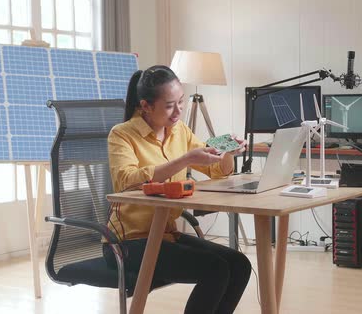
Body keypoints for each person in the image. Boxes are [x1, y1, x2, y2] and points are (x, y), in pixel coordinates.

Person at [103, 65, 252, 314]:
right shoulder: (122, 134)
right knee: (216, 268)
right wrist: (183, 160)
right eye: (170, 105)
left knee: (239, 264)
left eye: (181, 102)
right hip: (127, 243)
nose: (178, 112)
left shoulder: (180, 131)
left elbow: (216, 170)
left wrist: (226, 151)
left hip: (166, 234)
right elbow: (125, 180)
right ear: (146, 106)